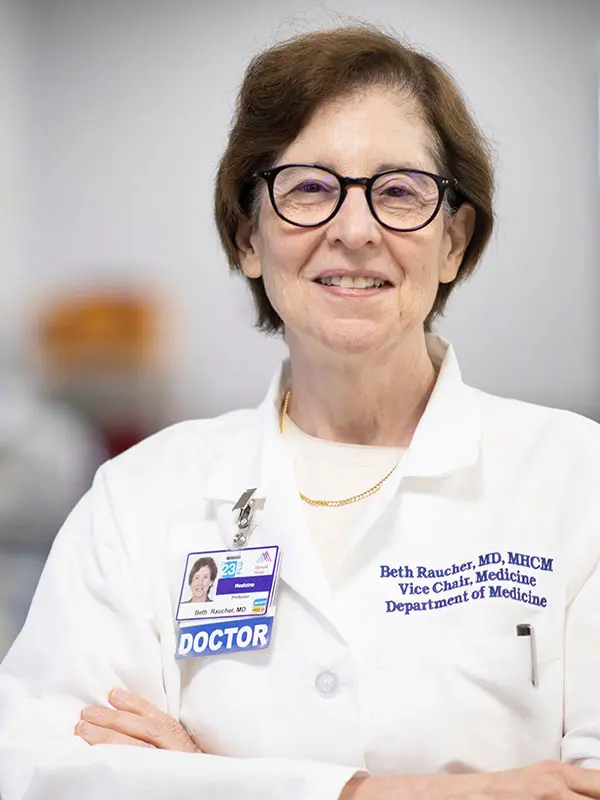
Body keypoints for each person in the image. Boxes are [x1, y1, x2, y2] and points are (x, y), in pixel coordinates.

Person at [1, 23, 600, 800]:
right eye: (310, 188)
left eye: (399, 191)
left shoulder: (576, 480)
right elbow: (40, 769)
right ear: (248, 236)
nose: (354, 231)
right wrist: (382, 793)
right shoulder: (138, 499)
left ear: (454, 240)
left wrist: (200, 784)